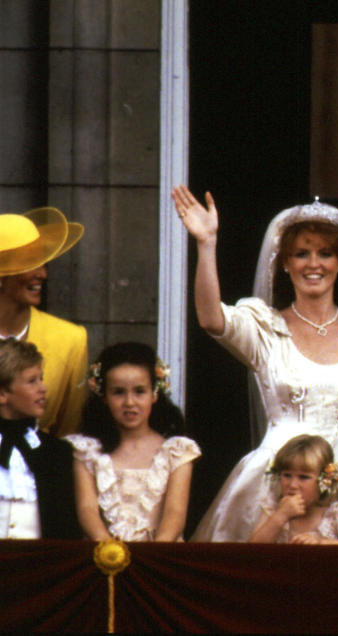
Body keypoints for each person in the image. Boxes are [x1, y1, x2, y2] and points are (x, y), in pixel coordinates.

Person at [172, 185, 338, 544]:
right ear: (285, 262)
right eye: (301, 254)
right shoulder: (264, 328)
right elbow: (211, 319)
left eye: (325, 254)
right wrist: (206, 243)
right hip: (274, 480)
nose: (314, 264)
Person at [65, 343, 200, 542]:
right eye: (118, 392)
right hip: (103, 553)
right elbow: (87, 509)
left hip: (160, 555)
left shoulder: (176, 452)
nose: (129, 402)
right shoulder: (87, 451)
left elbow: (175, 514)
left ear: (154, 393)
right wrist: (109, 549)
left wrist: (153, 555)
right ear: (103, 396)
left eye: (139, 391)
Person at [0, 208, 87, 436]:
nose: (43, 274)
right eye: (31, 263)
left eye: (43, 263)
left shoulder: (71, 339)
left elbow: (69, 430)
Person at [0, 338, 81, 538]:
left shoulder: (57, 453)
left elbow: (66, 528)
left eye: (41, 379)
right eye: (32, 381)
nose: (43, 388)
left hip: (39, 565)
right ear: (2, 394)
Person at [250, 434, 338, 544]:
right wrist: (280, 516)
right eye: (287, 475)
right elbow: (252, 549)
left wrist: (322, 543)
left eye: (303, 477)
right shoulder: (273, 508)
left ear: (325, 480)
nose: (293, 485)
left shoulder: (337, 511)